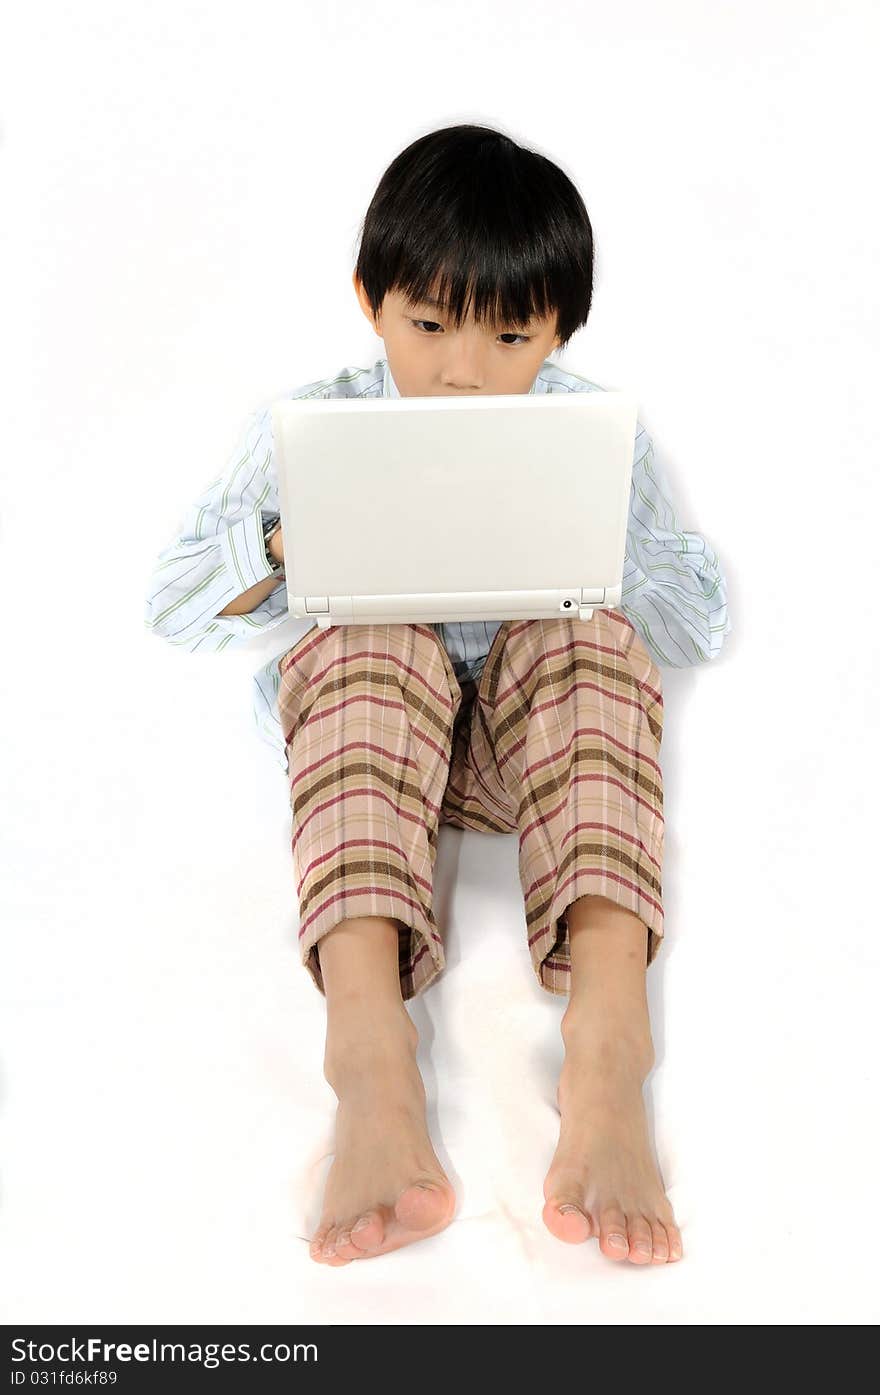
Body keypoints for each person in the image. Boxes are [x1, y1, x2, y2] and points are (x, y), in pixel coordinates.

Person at [144, 122, 731, 1269]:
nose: (463, 371)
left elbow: (696, 619)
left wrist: (599, 533)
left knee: (592, 636)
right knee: (366, 635)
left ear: (558, 330)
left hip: (548, 749)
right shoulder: (316, 422)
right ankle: (369, 1067)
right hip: (372, 750)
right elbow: (170, 601)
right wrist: (292, 531)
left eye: (510, 336)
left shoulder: (590, 426)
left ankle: (610, 1054)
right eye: (427, 327)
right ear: (370, 301)